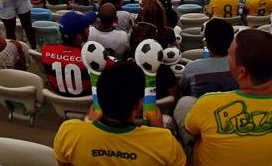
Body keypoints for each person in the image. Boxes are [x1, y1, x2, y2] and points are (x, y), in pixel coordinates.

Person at [176, 29, 272, 166]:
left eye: (230, 55)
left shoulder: (209, 104)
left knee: (184, 103)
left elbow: (191, 130)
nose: (227, 58)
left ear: (242, 72)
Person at [53, 61, 186, 166]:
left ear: (98, 98)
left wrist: (89, 124)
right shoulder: (165, 141)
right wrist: (158, 129)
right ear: (139, 104)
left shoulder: (68, 132)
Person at [42, 11, 96, 97]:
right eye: (87, 26)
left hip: (58, 102)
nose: (89, 28)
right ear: (79, 36)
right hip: (86, 104)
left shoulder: (46, 51)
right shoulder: (93, 58)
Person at [180, 18, 237, 97]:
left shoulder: (192, 67)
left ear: (206, 43)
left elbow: (183, 90)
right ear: (232, 41)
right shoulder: (240, 67)